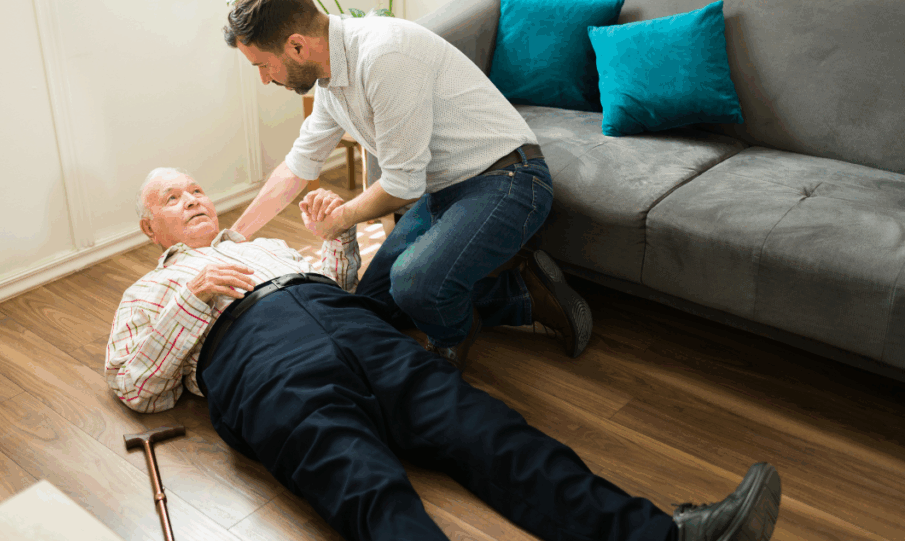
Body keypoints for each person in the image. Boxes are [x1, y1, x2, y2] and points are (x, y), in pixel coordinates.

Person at [104, 167, 783, 541]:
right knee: (365, 489)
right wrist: (193, 298)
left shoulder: (262, 245)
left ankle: (667, 539)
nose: (193, 197)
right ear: (149, 226)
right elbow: (135, 384)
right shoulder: (147, 290)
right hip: (259, 360)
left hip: (354, 325)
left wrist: (334, 236)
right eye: (173, 196)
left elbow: (341, 283)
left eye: (197, 188)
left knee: (491, 432)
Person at [222, 0, 592, 370]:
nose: (264, 79)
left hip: (509, 179)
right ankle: (524, 295)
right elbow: (297, 166)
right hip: (447, 191)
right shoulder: (330, 83)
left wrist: (341, 218)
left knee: (415, 284)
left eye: (263, 65)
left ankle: (451, 339)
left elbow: (402, 185)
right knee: (373, 309)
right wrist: (229, 239)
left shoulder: (384, 56)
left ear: (296, 45)